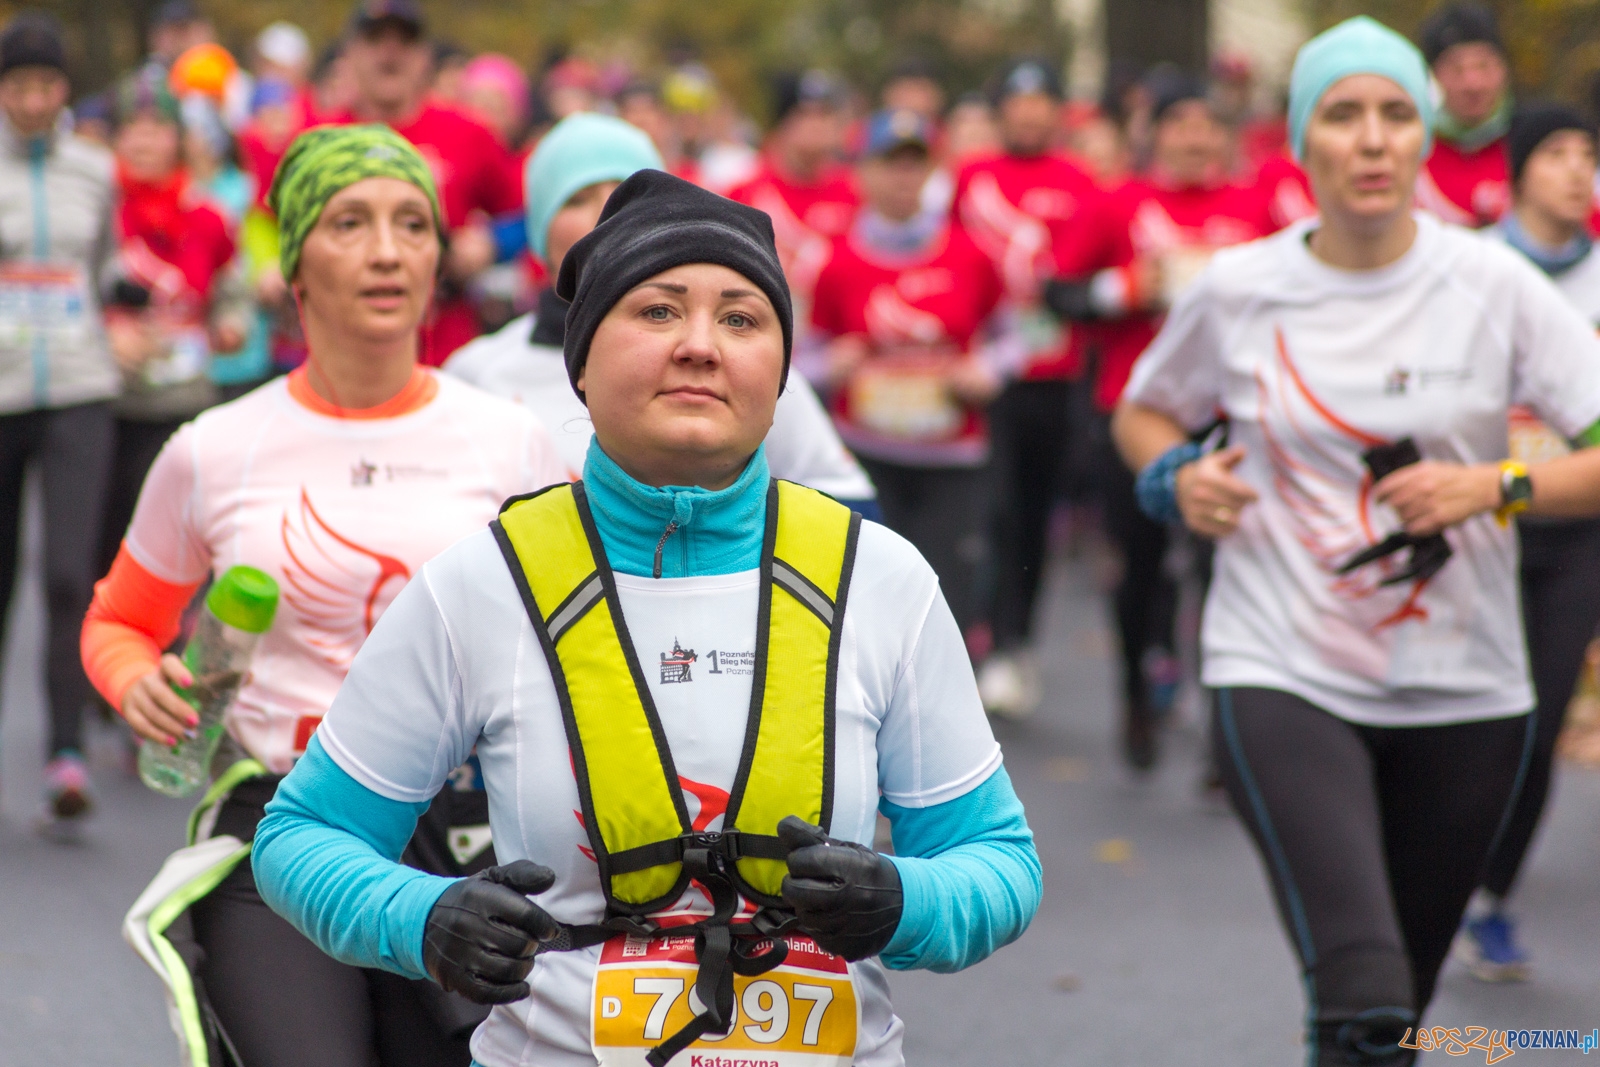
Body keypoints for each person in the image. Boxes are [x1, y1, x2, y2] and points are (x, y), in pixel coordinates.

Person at [252, 166, 1040, 1067]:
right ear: (581, 360)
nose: (701, 345)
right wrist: (420, 917)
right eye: (658, 310)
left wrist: (906, 901)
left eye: (742, 318)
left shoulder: (880, 577)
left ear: (781, 371)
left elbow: (999, 862)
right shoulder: (481, 583)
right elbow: (300, 839)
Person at [1112, 18, 1600, 1066]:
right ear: (1302, 144)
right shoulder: (1238, 287)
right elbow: (1143, 410)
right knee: (1365, 984)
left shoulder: (1494, 283)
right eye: (1342, 115)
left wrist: (1497, 483)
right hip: (1281, 665)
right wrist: (1175, 477)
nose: (1371, 139)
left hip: (1468, 687)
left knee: (1391, 1019)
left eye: (1393, 113)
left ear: (1425, 135)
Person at [81, 124, 567, 1067]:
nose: (387, 250)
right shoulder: (216, 448)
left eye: (412, 224)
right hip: (280, 827)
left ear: (437, 258)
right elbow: (121, 621)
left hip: (462, 832)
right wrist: (135, 679)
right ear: (294, 263)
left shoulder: (513, 445)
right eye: (350, 222)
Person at [444, 112, 878, 512]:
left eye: (624, 193)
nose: (605, 215)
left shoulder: (735, 361)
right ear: (540, 227)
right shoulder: (476, 374)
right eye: (577, 199)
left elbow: (848, 501)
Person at [1047, 73, 1273, 767]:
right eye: (1180, 123)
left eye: (1208, 123)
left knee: (1222, 566)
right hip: (1133, 412)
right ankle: (1136, 694)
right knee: (1140, 566)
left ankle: (1225, 735)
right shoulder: (1119, 204)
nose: (1196, 136)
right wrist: (1126, 288)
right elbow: (1057, 293)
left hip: (1230, 412)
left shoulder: (1255, 206)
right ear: (1155, 133)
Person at [1456, 102, 1600, 983]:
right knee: (1469, 710)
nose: (1580, 170)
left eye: (1591, 154)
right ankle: (1434, 859)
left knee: (1541, 714)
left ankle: (1493, 894)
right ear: (1517, 171)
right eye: (1558, 153)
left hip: (1579, 526)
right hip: (1477, 519)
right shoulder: (1471, 269)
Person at [806, 110, 1014, 637]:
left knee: (947, 595)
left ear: (931, 173)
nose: (902, 177)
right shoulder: (834, 260)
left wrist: (988, 368)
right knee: (865, 595)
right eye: (888, 163)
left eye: (913, 164)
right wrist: (829, 367)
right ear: (862, 172)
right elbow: (798, 354)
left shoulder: (971, 254)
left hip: (953, 457)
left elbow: (1025, 333)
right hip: (865, 456)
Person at [950, 57, 1100, 715]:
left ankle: (1018, 644)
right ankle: (979, 642)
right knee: (991, 509)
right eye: (1018, 102)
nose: (1030, 115)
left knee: (1037, 516)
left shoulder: (1080, 183)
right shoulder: (970, 178)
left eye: (1043, 102)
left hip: (1056, 375)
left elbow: (1093, 279)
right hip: (982, 377)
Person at [0, 12, 119, 826]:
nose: (35, 99)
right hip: (3, 392)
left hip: (80, 382)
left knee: (71, 573)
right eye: (19, 86)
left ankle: (66, 751)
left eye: (46, 84)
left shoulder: (94, 171)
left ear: (64, 90)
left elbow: (102, 268)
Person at [98, 68, 246, 589]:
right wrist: (105, 336)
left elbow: (232, 289)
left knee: (184, 549)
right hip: (110, 404)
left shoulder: (208, 213)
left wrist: (231, 321)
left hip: (183, 404)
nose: (143, 140)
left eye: (157, 127)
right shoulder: (101, 210)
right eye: (131, 127)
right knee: (109, 549)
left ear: (178, 138)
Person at [336, 0, 522, 362]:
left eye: (404, 42)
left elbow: (526, 217)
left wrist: (490, 244)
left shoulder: (469, 132)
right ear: (351, 54)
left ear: (424, 56)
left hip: (446, 344)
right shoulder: (322, 138)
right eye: (376, 40)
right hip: (347, 346)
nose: (390, 54)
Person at [727, 70, 860, 335]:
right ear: (782, 122)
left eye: (825, 114)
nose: (817, 125)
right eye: (804, 114)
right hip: (768, 327)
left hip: (837, 338)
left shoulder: (856, 192)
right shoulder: (745, 193)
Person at [1415, 2, 1512, 227]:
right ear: (1433, 76)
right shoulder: (1413, 154)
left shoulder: (1535, 148)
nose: (1473, 83)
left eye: (1483, 65)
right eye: (1456, 69)